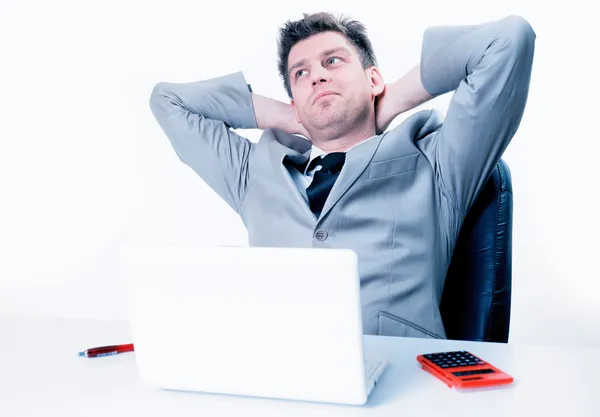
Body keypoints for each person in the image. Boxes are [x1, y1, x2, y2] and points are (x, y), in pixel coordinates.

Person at [149, 12, 536, 339]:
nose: (316, 76)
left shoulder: (439, 162)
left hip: (401, 386)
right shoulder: (252, 174)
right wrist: (292, 117)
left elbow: (509, 41)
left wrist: (391, 99)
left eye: (332, 61)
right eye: (301, 73)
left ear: (371, 79)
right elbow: (168, 101)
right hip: (279, 383)